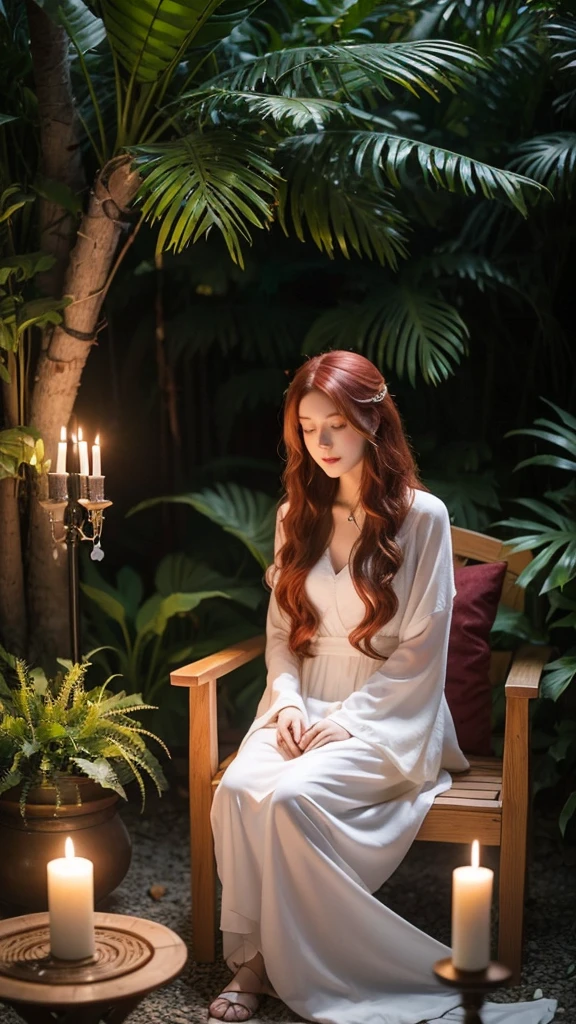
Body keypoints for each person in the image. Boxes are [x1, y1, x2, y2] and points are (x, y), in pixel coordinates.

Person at [208, 351, 557, 1024]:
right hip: (302, 700)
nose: (325, 442)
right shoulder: (294, 515)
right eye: (309, 428)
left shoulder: (422, 517)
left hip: (394, 714)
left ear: (373, 419)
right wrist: (285, 703)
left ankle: (271, 968)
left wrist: (351, 721)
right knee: (241, 789)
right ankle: (264, 954)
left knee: (291, 800)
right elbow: (282, 638)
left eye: (337, 422)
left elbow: (425, 651)